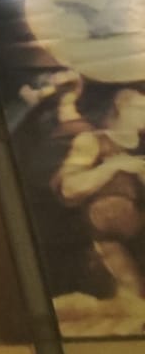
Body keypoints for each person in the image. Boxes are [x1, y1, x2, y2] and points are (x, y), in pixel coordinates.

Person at [24, 71, 145, 304]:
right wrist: (113, 167)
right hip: (109, 249)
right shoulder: (93, 141)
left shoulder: (139, 149)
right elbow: (69, 188)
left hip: (138, 240)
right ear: (123, 101)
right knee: (132, 304)